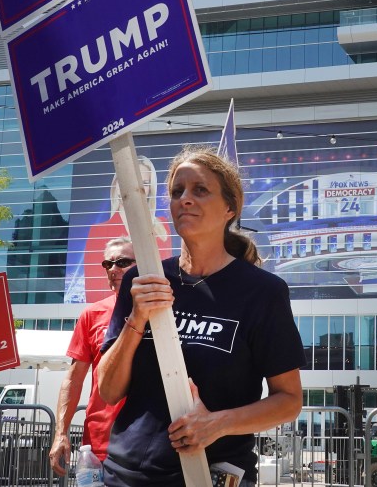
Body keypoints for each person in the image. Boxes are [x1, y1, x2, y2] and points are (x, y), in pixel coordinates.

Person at [97, 146, 305, 487]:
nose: (185, 200)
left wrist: (216, 424)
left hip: (206, 476)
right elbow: (108, 390)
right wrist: (137, 318)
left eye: (200, 190)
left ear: (229, 208)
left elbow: (289, 401)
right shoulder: (142, 279)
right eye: (177, 192)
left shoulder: (263, 292)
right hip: (124, 475)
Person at [50, 236, 137, 476]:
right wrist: (61, 433)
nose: (113, 269)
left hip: (150, 443)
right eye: (107, 264)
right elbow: (73, 378)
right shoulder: (91, 314)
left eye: (122, 262)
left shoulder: (165, 310)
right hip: (99, 445)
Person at [81, 156, 173, 301]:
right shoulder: (98, 232)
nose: (138, 187)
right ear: (117, 185)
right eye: (131, 180)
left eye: (145, 183)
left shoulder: (162, 227)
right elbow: (92, 288)